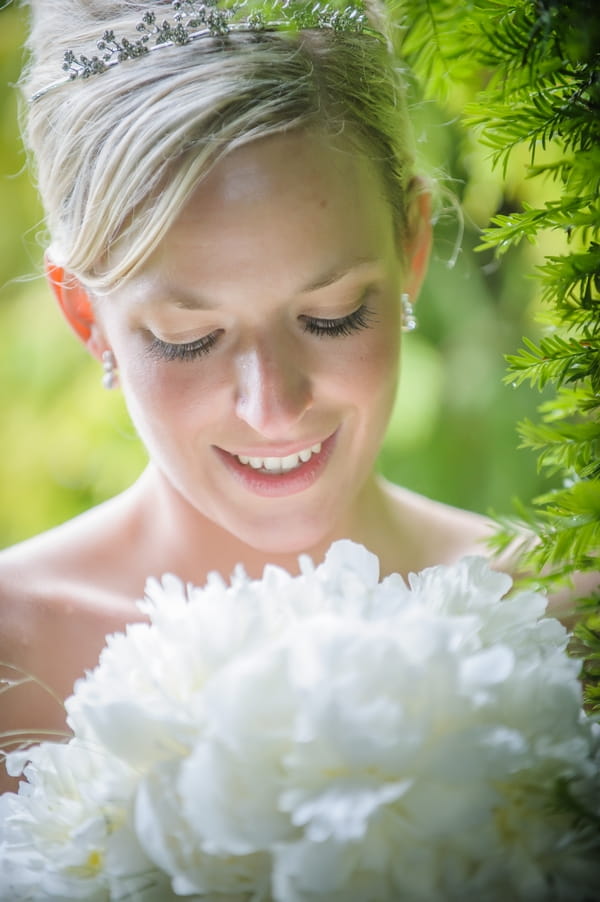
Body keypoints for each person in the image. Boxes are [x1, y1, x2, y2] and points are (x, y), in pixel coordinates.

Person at [0, 0, 590, 794]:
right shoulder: (12, 651)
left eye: (332, 316)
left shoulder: (570, 621)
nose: (272, 408)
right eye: (187, 336)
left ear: (412, 248)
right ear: (86, 315)